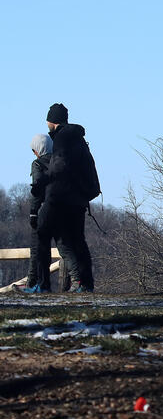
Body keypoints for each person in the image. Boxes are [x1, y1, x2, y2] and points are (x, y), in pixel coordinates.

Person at [38, 103, 95, 293]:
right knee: (77, 240)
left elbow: (60, 165)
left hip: (62, 196)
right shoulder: (77, 138)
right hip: (78, 197)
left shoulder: (62, 138)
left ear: (52, 120)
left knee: (42, 233)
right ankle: (85, 283)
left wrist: (44, 180)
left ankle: (42, 284)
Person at [18, 134, 53, 293]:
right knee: (66, 248)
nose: (34, 153)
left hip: (43, 211)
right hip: (61, 208)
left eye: (34, 150)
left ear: (38, 149)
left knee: (38, 249)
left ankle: (35, 283)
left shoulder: (38, 164)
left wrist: (33, 212)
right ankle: (77, 282)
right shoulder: (59, 161)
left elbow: (37, 188)